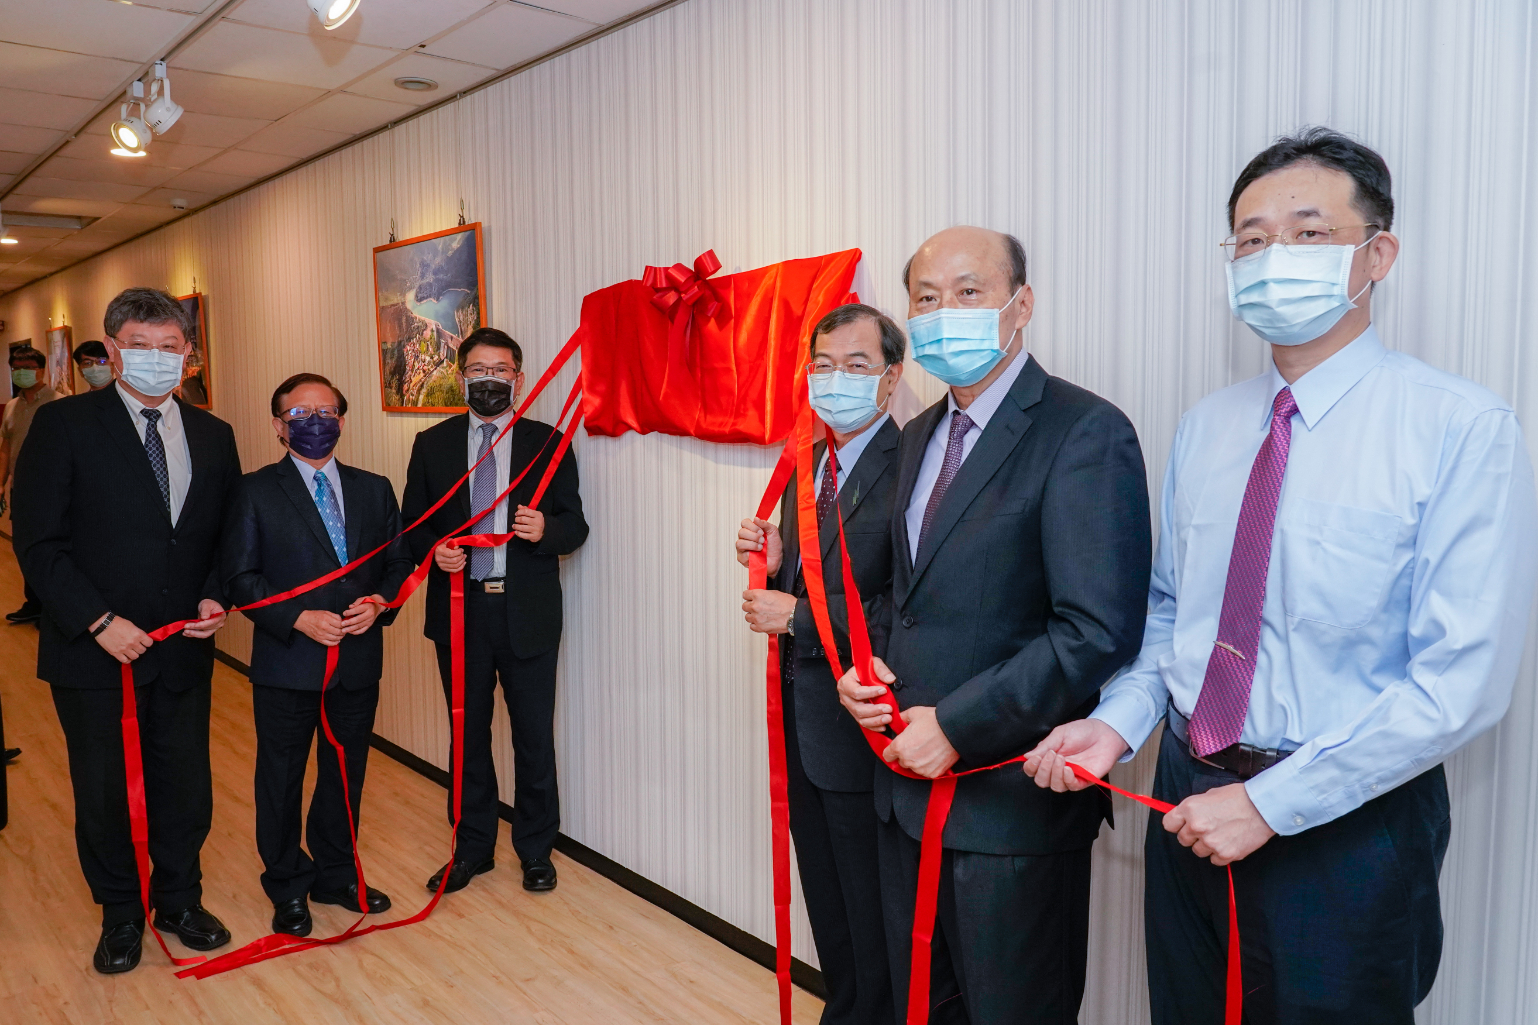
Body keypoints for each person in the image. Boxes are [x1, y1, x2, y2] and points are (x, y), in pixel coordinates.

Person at [1024, 128, 1538, 1023]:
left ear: (1377, 255)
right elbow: (1174, 616)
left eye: (1308, 233)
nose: (1274, 259)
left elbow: (1459, 681)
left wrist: (1271, 803)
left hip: (1347, 817)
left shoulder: (1459, 427)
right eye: (1253, 240)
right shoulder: (1208, 427)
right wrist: (1117, 723)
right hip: (1186, 791)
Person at [837, 227, 1152, 1023]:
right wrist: (863, 670)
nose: (946, 311)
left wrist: (957, 726)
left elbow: (1096, 628)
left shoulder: (1084, 429)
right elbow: (903, 592)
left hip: (1010, 809)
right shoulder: (917, 434)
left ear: (1022, 304)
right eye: (927, 298)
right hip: (903, 790)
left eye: (969, 291)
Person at [12, 287, 242, 973]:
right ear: (112, 350)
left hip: (182, 650)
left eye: (170, 347)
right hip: (94, 651)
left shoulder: (214, 433)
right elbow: (39, 542)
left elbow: (225, 535)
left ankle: (178, 900)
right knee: (105, 789)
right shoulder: (65, 425)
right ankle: (120, 913)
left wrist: (217, 594)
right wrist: (99, 620)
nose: (156, 358)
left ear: (188, 353)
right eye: (140, 346)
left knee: (185, 784)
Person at [736, 303, 905, 1025]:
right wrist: (777, 566)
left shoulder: (913, 466)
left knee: (871, 906)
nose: (837, 380)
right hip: (801, 723)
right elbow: (813, 578)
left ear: (891, 379)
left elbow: (903, 608)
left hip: (862, 727)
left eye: (857, 365)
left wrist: (797, 616)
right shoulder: (807, 464)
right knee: (827, 902)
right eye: (824, 366)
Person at [221, 373, 414, 937]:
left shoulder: (374, 488)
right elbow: (240, 577)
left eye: (326, 411)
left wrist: (380, 603)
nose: (315, 422)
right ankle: (286, 883)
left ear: (342, 421)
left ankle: (336, 874)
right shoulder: (255, 491)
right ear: (279, 426)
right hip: (287, 663)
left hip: (357, 660)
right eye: (300, 414)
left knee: (346, 774)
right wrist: (297, 618)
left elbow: (399, 563)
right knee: (280, 778)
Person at [402, 327, 588, 895]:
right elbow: (411, 528)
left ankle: (536, 850)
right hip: (460, 614)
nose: (490, 380)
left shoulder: (549, 442)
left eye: (501, 371)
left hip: (526, 611)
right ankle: (471, 848)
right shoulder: (432, 444)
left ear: (519, 379)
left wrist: (546, 529)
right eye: (479, 371)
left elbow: (575, 526)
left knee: (533, 737)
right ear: (462, 377)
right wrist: (437, 551)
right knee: (467, 735)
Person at [2, 344, 58, 624]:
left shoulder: (59, 403)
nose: (21, 373)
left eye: (28, 368)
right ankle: (33, 603)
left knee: (50, 549)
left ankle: (53, 608)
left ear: (42, 370)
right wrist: (1, 484)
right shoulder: (12, 406)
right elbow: (5, 448)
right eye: (16, 368)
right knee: (24, 547)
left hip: (52, 489)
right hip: (20, 489)